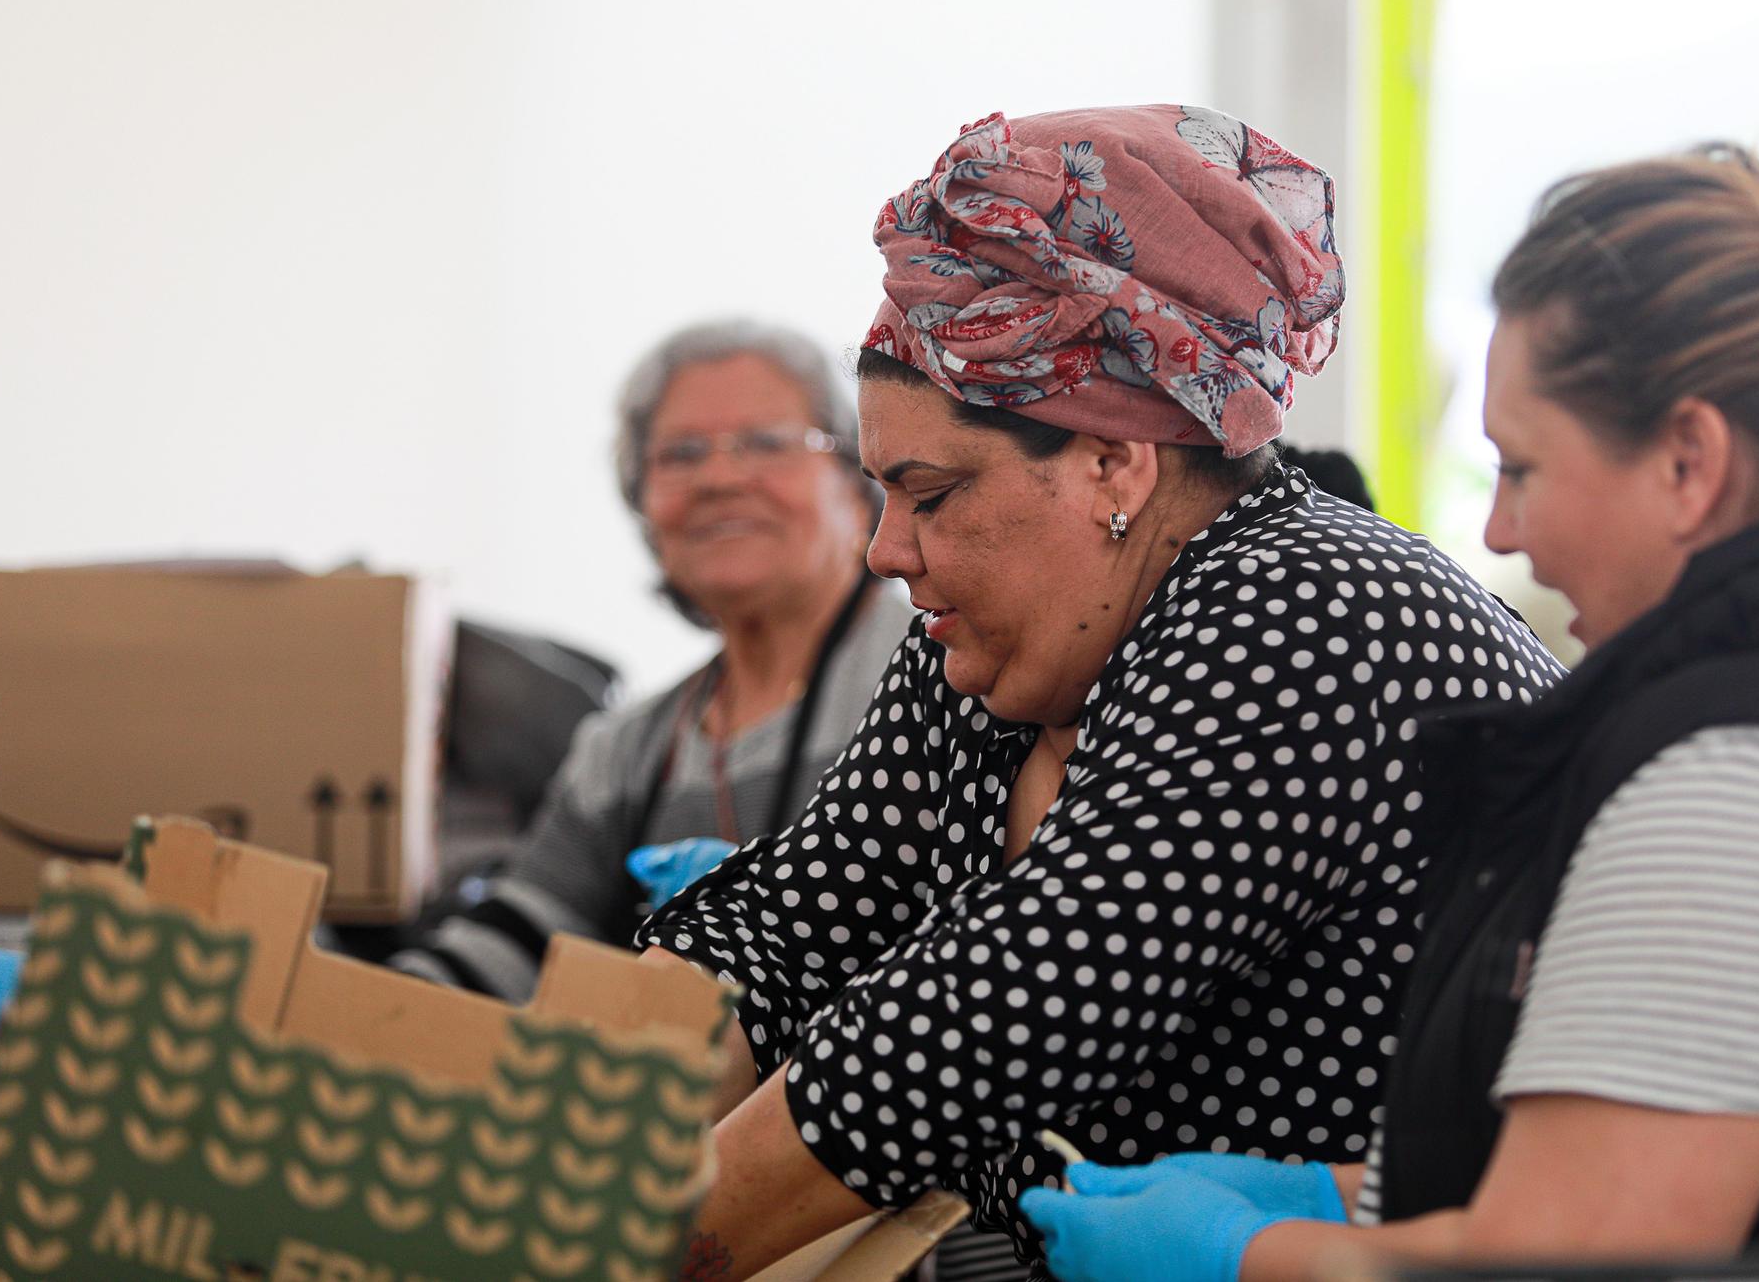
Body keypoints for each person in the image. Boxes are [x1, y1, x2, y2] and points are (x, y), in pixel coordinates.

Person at [636, 106, 1560, 1280]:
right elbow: (798, 920)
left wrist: (602, 1249)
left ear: (1112, 463)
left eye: (929, 493)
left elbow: (981, 1020)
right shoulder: (998, 643)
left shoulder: (1305, 616)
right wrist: (558, 1124)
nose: (885, 550)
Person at [1020, 146, 1759, 1280]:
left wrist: (1247, 1254)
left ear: (1686, 459)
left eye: (1519, 469)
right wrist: (1351, 1194)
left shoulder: (1748, 786)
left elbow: (1575, 1263)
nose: (1501, 534)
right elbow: (1693, 1159)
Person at [389, 318, 912, 1002]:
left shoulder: (940, 676)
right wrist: (359, 1006)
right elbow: (522, 944)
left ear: (857, 480)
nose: (720, 477)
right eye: (682, 453)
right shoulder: (624, 751)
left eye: (764, 443)